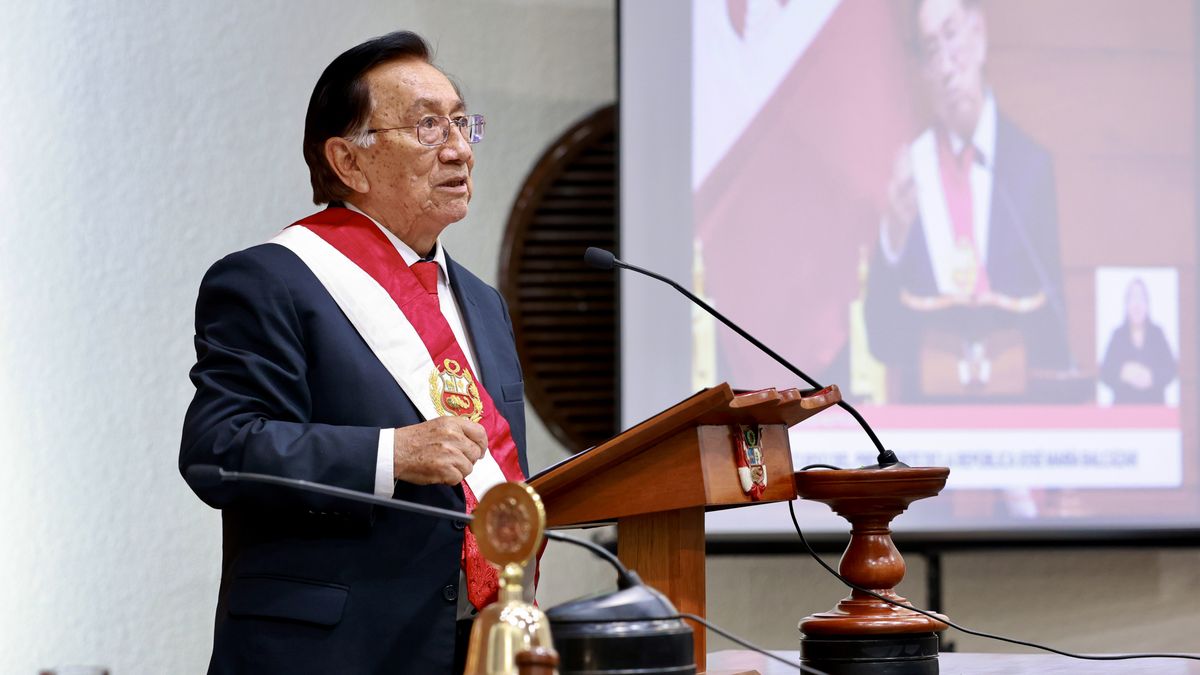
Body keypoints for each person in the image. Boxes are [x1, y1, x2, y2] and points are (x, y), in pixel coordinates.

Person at [179, 31, 528, 674]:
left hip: (473, 649)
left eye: (460, 122)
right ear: (348, 161)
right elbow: (219, 451)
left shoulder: (482, 303)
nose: (458, 148)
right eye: (427, 127)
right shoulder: (271, 280)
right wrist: (391, 454)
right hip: (330, 653)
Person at [864, 0, 1072, 400]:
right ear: (923, 71)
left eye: (952, 34)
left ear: (978, 33)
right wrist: (893, 235)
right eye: (931, 49)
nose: (946, 65)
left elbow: (1054, 336)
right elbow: (882, 341)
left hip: (1015, 415)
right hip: (930, 416)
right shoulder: (912, 172)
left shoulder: (1029, 167)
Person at [1099, 278, 1178, 404]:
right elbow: (1105, 373)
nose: (1137, 304)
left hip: (1154, 406)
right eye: (1132, 298)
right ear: (1126, 304)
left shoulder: (1157, 334)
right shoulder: (1118, 335)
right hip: (1123, 407)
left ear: (1147, 304)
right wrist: (1123, 373)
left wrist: (1152, 376)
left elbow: (1170, 370)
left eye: (1141, 298)